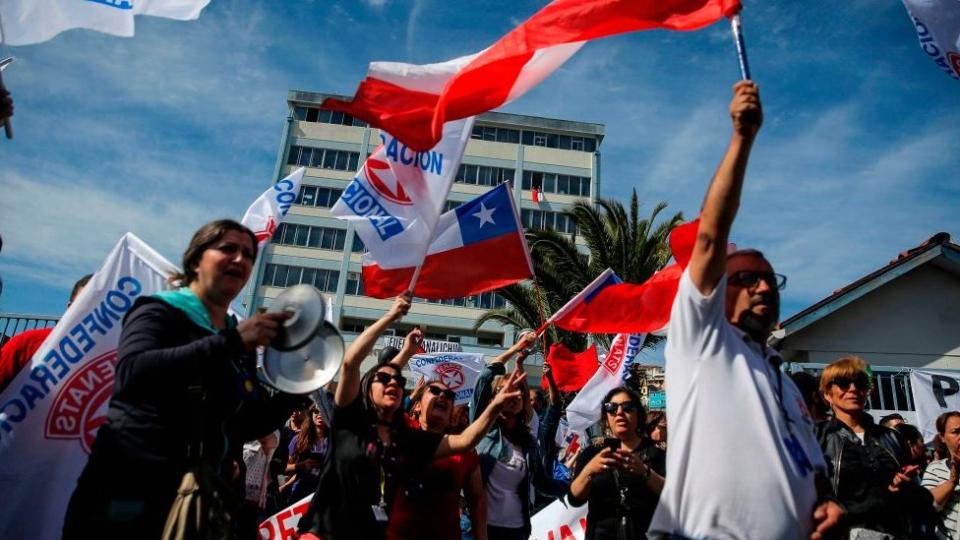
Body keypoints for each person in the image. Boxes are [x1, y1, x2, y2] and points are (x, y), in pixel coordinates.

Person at [648, 81, 842, 540]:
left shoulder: (785, 382)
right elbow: (712, 234)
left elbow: (812, 467)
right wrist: (742, 136)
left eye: (770, 280)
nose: (762, 287)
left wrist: (829, 503)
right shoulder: (703, 341)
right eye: (746, 278)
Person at [63, 219, 310, 539]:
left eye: (248, 254)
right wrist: (232, 342)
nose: (241, 259)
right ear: (195, 260)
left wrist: (297, 387)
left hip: (198, 499)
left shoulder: (238, 342)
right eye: (228, 249)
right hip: (132, 489)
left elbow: (244, 424)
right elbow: (134, 373)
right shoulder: (159, 311)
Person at [297, 294, 525, 540]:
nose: (393, 382)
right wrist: (392, 316)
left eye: (399, 380)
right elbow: (351, 363)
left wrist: (496, 405)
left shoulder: (406, 439)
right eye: (383, 379)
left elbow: (465, 441)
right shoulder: (351, 422)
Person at [817, 356, 934, 538]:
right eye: (843, 383)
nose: (853, 389)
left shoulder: (891, 437)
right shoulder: (818, 437)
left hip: (895, 532)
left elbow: (917, 497)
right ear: (827, 393)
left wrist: (901, 487)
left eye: (861, 382)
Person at [472, 333, 567, 540]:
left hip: (518, 532)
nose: (513, 395)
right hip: (481, 530)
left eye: (519, 392)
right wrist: (516, 349)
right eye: (506, 390)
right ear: (493, 399)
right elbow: (483, 379)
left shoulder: (528, 443)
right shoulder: (482, 431)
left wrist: (580, 486)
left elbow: (543, 482)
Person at [387, 379, 487, 540]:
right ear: (417, 405)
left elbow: (477, 501)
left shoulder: (464, 449)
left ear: (450, 414)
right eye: (434, 391)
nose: (442, 396)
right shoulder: (402, 432)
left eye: (449, 395)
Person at [569, 387, 665, 540]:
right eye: (611, 408)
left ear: (638, 414)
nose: (619, 412)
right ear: (606, 417)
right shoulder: (593, 453)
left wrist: (645, 472)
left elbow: (673, 498)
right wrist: (589, 470)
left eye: (627, 407)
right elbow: (574, 499)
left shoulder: (657, 454)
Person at [0, 274, 91, 393]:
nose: (94, 312)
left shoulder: (118, 358)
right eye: (85, 304)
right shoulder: (27, 345)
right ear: (69, 308)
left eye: (102, 304)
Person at [922, 411, 960, 539]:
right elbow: (926, 507)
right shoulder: (936, 468)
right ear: (943, 437)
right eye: (956, 432)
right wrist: (952, 482)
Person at [285, 404, 330, 503]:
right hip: (301, 495)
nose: (319, 414)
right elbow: (284, 468)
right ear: (311, 415)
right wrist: (302, 466)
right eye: (316, 411)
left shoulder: (335, 440)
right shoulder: (299, 439)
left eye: (323, 410)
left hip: (326, 495)